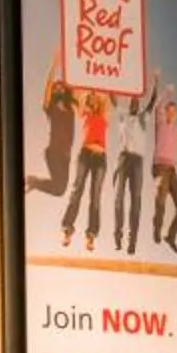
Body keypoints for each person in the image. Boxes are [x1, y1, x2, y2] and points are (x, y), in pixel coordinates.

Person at [110, 73, 161, 256]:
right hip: (123, 158)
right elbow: (112, 99)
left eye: (136, 102)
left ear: (138, 106)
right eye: (131, 101)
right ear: (128, 103)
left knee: (136, 200)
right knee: (118, 197)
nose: (134, 104)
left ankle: (132, 242)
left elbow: (153, 101)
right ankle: (118, 235)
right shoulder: (122, 116)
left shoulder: (143, 118)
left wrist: (155, 81)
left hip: (138, 160)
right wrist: (109, 79)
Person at [58, 87, 110, 249]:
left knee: (95, 196)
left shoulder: (104, 114)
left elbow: (106, 96)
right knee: (77, 190)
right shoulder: (84, 112)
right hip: (85, 154)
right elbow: (77, 96)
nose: (94, 97)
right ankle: (67, 229)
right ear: (88, 100)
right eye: (91, 97)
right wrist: (86, 89)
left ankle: (91, 235)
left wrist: (96, 88)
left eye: (96, 96)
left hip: (100, 158)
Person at [27, 50, 74, 198]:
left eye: (61, 86)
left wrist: (71, 62)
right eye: (56, 88)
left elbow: (73, 84)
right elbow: (48, 86)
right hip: (54, 152)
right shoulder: (51, 109)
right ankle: (34, 182)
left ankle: (34, 182)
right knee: (58, 187)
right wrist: (54, 65)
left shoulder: (70, 108)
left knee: (60, 190)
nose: (58, 88)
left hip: (66, 156)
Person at [151, 91, 177, 250]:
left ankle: (171, 236)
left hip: (172, 170)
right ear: (165, 113)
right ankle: (157, 229)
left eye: (174, 112)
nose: (171, 114)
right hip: (160, 167)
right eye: (169, 111)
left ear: (176, 115)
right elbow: (157, 106)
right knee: (161, 200)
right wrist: (167, 93)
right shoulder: (160, 124)